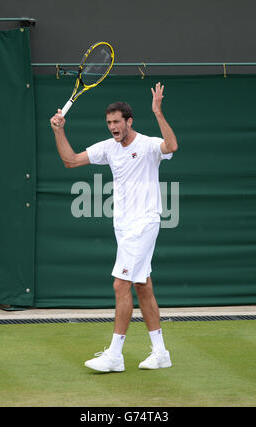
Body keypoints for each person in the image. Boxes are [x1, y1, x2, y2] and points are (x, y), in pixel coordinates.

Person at [50, 82, 178, 372]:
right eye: (109, 123)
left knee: (121, 284)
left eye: (117, 122)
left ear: (129, 121)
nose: (112, 127)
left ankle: (115, 355)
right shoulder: (108, 148)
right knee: (143, 286)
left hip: (144, 223)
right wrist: (59, 130)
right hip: (123, 227)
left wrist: (158, 112)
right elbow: (71, 161)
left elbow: (171, 146)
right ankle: (160, 353)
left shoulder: (146, 145)